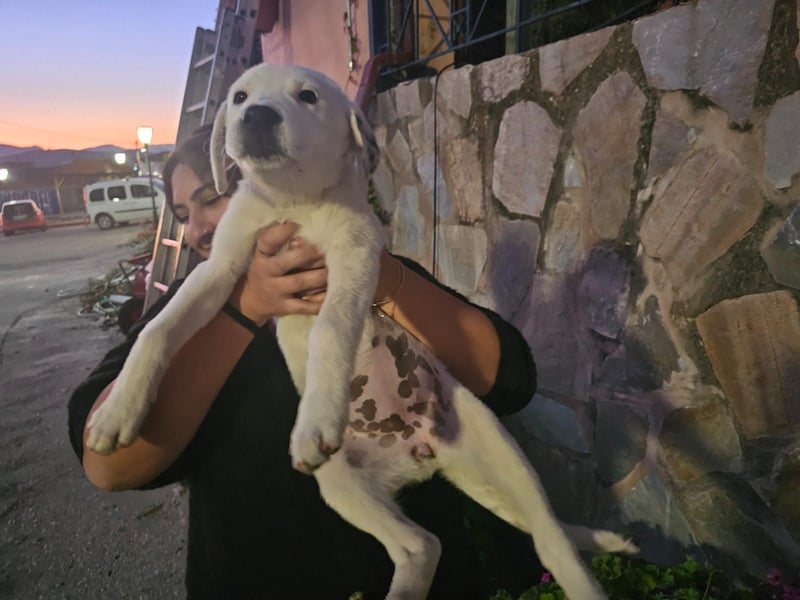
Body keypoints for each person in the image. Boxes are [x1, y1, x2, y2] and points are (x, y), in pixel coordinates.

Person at [68, 125, 539, 599]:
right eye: (183, 215)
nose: (198, 230)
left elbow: (509, 379)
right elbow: (108, 466)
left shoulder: (375, 274)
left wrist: (370, 272)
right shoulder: (183, 315)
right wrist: (245, 307)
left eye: (211, 200)